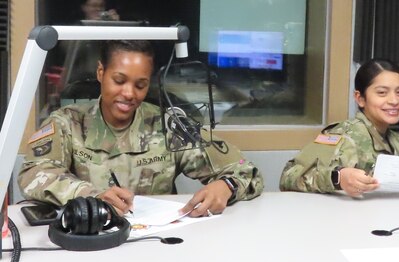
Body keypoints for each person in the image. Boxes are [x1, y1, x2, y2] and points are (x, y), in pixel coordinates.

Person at [18, 40, 264, 217]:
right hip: (89, 246)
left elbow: (245, 171)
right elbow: (33, 174)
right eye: (119, 80)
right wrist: (87, 193)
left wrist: (226, 187)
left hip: (157, 247)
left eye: (140, 85)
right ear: (101, 72)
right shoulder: (67, 123)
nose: (129, 94)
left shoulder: (170, 126)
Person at [279, 59, 399, 197]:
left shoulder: (397, 141)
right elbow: (288, 178)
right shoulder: (344, 136)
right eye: (382, 93)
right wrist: (338, 178)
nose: (394, 101)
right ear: (360, 98)